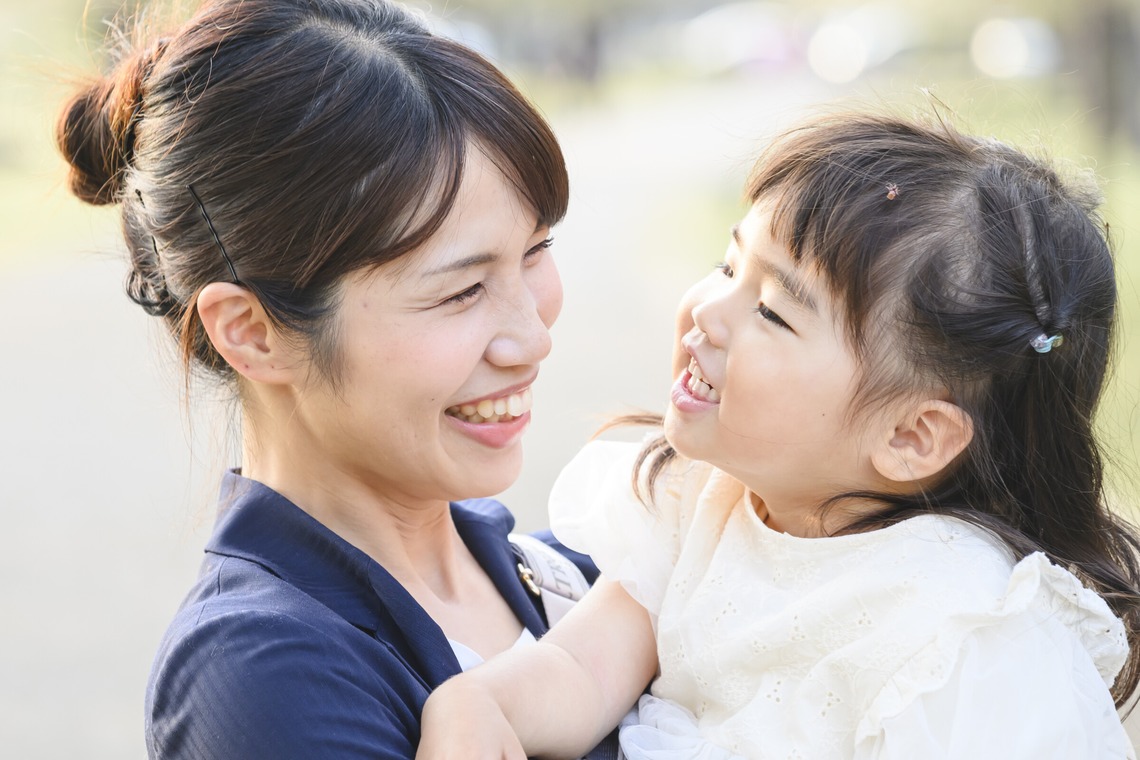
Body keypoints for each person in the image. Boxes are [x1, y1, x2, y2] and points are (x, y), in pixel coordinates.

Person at [415, 112, 1140, 759]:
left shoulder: (962, 634)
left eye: (770, 311)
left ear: (913, 435)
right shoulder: (701, 501)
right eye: (729, 265)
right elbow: (578, 671)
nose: (707, 313)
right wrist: (476, 702)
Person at [56, 0, 617, 757]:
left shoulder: (568, 566)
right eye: (460, 291)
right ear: (252, 333)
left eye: (535, 251)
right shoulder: (262, 675)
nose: (532, 337)